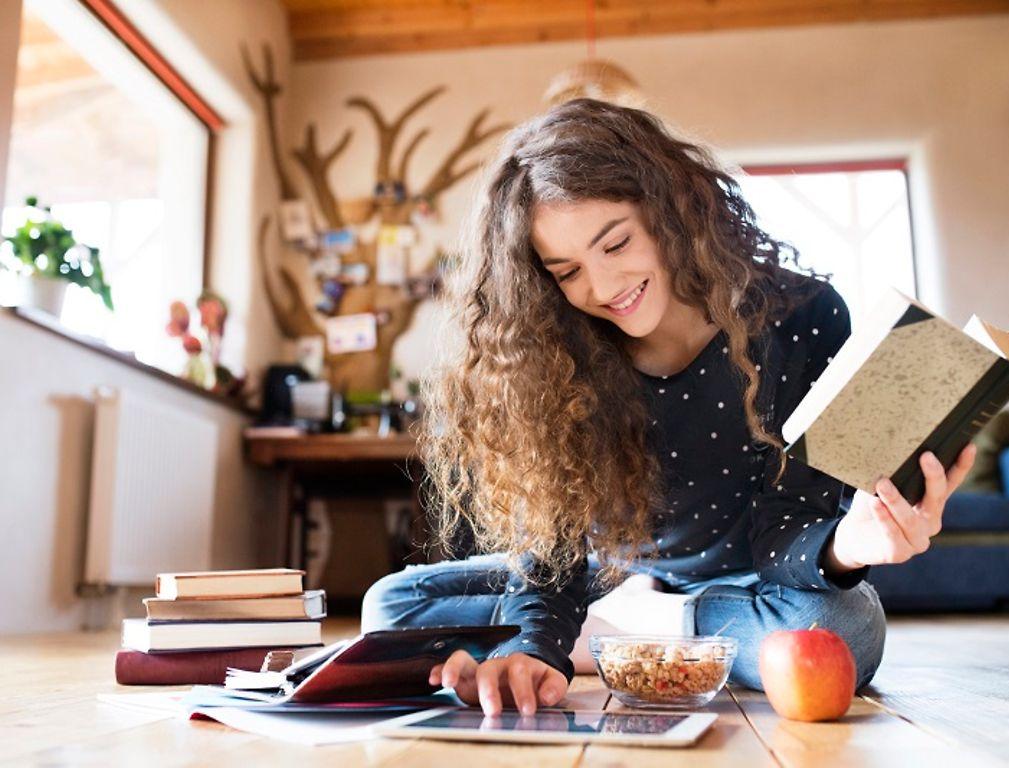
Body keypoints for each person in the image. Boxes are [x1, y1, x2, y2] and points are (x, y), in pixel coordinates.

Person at [361, 98, 976, 717]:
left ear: (669, 208)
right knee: (391, 607)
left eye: (616, 243)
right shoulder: (557, 354)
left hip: (757, 583)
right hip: (613, 576)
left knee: (843, 630)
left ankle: (640, 628)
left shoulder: (801, 317)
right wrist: (536, 646)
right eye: (568, 271)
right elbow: (555, 551)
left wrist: (850, 543)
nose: (602, 289)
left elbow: (790, 527)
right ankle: (634, 631)